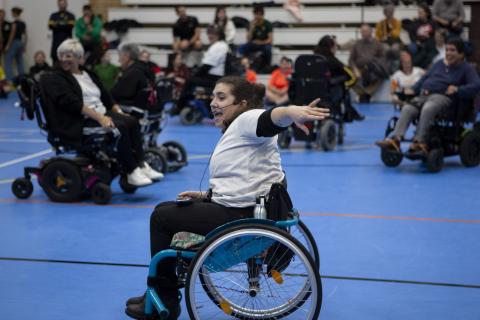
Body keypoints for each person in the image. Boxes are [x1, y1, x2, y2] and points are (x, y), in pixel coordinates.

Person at [124, 75, 330, 320]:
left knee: (161, 218)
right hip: (251, 207)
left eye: (221, 97)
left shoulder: (247, 119)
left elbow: (271, 118)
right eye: (213, 96)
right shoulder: (239, 130)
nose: (213, 102)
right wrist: (206, 195)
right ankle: (162, 288)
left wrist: (291, 111)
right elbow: (246, 178)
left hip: (239, 215)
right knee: (166, 207)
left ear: (242, 103)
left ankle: (164, 296)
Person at [42, 39, 163, 186]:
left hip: (99, 113)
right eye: (62, 55)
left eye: (69, 56)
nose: (64, 59)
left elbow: (107, 97)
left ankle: (141, 165)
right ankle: (131, 171)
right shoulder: (54, 77)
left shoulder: (88, 74)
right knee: (119, 128)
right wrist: (101, 118)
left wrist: (119, 112)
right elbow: (72, 104)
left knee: (131, 122)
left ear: (80, 58)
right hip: (76, 121)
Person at [375, 38, 480, 156]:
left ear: (461, 54)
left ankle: (419, 142)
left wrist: (458, 89)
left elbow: (476, 85)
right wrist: (413, 89)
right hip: (425, 95)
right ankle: (395, 140)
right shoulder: (439, 64)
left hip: (444, 98)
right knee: (408, 108)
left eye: (453, 50)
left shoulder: (467, 68)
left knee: (428, 108)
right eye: (447, 50)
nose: (448, 53)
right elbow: (424, 79)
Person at [172, 24, 229, 115]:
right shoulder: (218, 45)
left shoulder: (219, 46)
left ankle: (180, 106)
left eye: (213, 34)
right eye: (209, 33)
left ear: (219, 35)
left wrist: (193, 76)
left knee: (190, 81)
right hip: (213, 76)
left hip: (215, 78)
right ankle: (183, 105)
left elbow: (207, 67)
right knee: (191, 79)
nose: (210, 36)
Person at [314, 35, 365, 121]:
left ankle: (351, 111)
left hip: (308, 94)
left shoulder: (309, 61)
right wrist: (344, 85)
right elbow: (352, 77)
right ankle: (349, 112)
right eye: (335, 46)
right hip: (329, 95)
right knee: (343, 85)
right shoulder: (334, 62)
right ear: (331, 48)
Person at [349, 23, 387, 103]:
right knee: (347, 75)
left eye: (365, 31)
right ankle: (362, 94)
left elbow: (382, 58)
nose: (363, 33)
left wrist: (373, 63)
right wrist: (355, 69)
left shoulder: (377, 44)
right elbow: (351, 59)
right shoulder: (357, 44)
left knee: (381, 75)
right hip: (359, 68)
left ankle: (367, 93)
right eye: (362, 32)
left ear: (371, 31)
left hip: (372, 68)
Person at [111, 44, 151, 108]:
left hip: (128, 108)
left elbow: (117, 94)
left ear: (126, 56)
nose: (119, 60)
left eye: (120, 56)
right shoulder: (140, 69)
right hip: (133, 106)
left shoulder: (133, 73)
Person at [237, 5, 273, 72]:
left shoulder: (267, 24)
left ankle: (268, 65)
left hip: (264, 44)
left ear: (263, 15)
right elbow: (248, 39)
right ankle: (243, 63)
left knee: (268, 48)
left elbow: (270, 40)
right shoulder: (251, 23)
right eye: (256, 14)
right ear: (254, 14)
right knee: (242, 47)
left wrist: (261, 42)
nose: (258, 17)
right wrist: (251, 28)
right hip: (254, 43)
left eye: (260, 14)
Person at [404, 4, 438, 69]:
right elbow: (411, 34)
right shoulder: (415, 22)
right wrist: (416, 41)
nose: (419, 14)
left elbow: (436, 34)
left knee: (430, 48)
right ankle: (413, 65)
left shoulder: (432, 22)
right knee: (411, 47)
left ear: (427, 13)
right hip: (418, 43)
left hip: (429, 43)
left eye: (421, 13)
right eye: (419, 13)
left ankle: (422, 66)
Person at [375, 4, 402, 74]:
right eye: (387, 12)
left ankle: (394, 71)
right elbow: (377, 35)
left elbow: (396, 34)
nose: (389, 14)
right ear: (385, 13)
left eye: (391, 12)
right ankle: (386, 71)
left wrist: (390, 30)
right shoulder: (380, 23)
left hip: (395, 41)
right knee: (386, 49)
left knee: (394, 49)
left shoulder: (397, 22)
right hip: (384, 42)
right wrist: (380, 38)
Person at [48, 0, 75, 64]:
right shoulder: (53, 15)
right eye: (60, 4)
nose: (62, 5)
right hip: (56, 42)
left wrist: (57, 25)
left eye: (63, 4)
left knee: (68, 60)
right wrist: (64, 25)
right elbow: (50, 26)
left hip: (67, 42)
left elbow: (70, 26)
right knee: (55, 61)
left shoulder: (71, 15)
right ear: (58, 5)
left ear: (66, 4)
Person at [4, 7, 27, 82]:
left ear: (15, 13)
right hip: (20, 42)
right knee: (20, 61)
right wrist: (24, 45)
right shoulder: (23, 23)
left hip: (14, 42)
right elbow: (25, 35)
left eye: (12, 13)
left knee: (8, 61)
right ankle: (22, 79)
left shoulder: (14, 23)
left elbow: (12, 35)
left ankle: (9, 80)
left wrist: (8, 45)